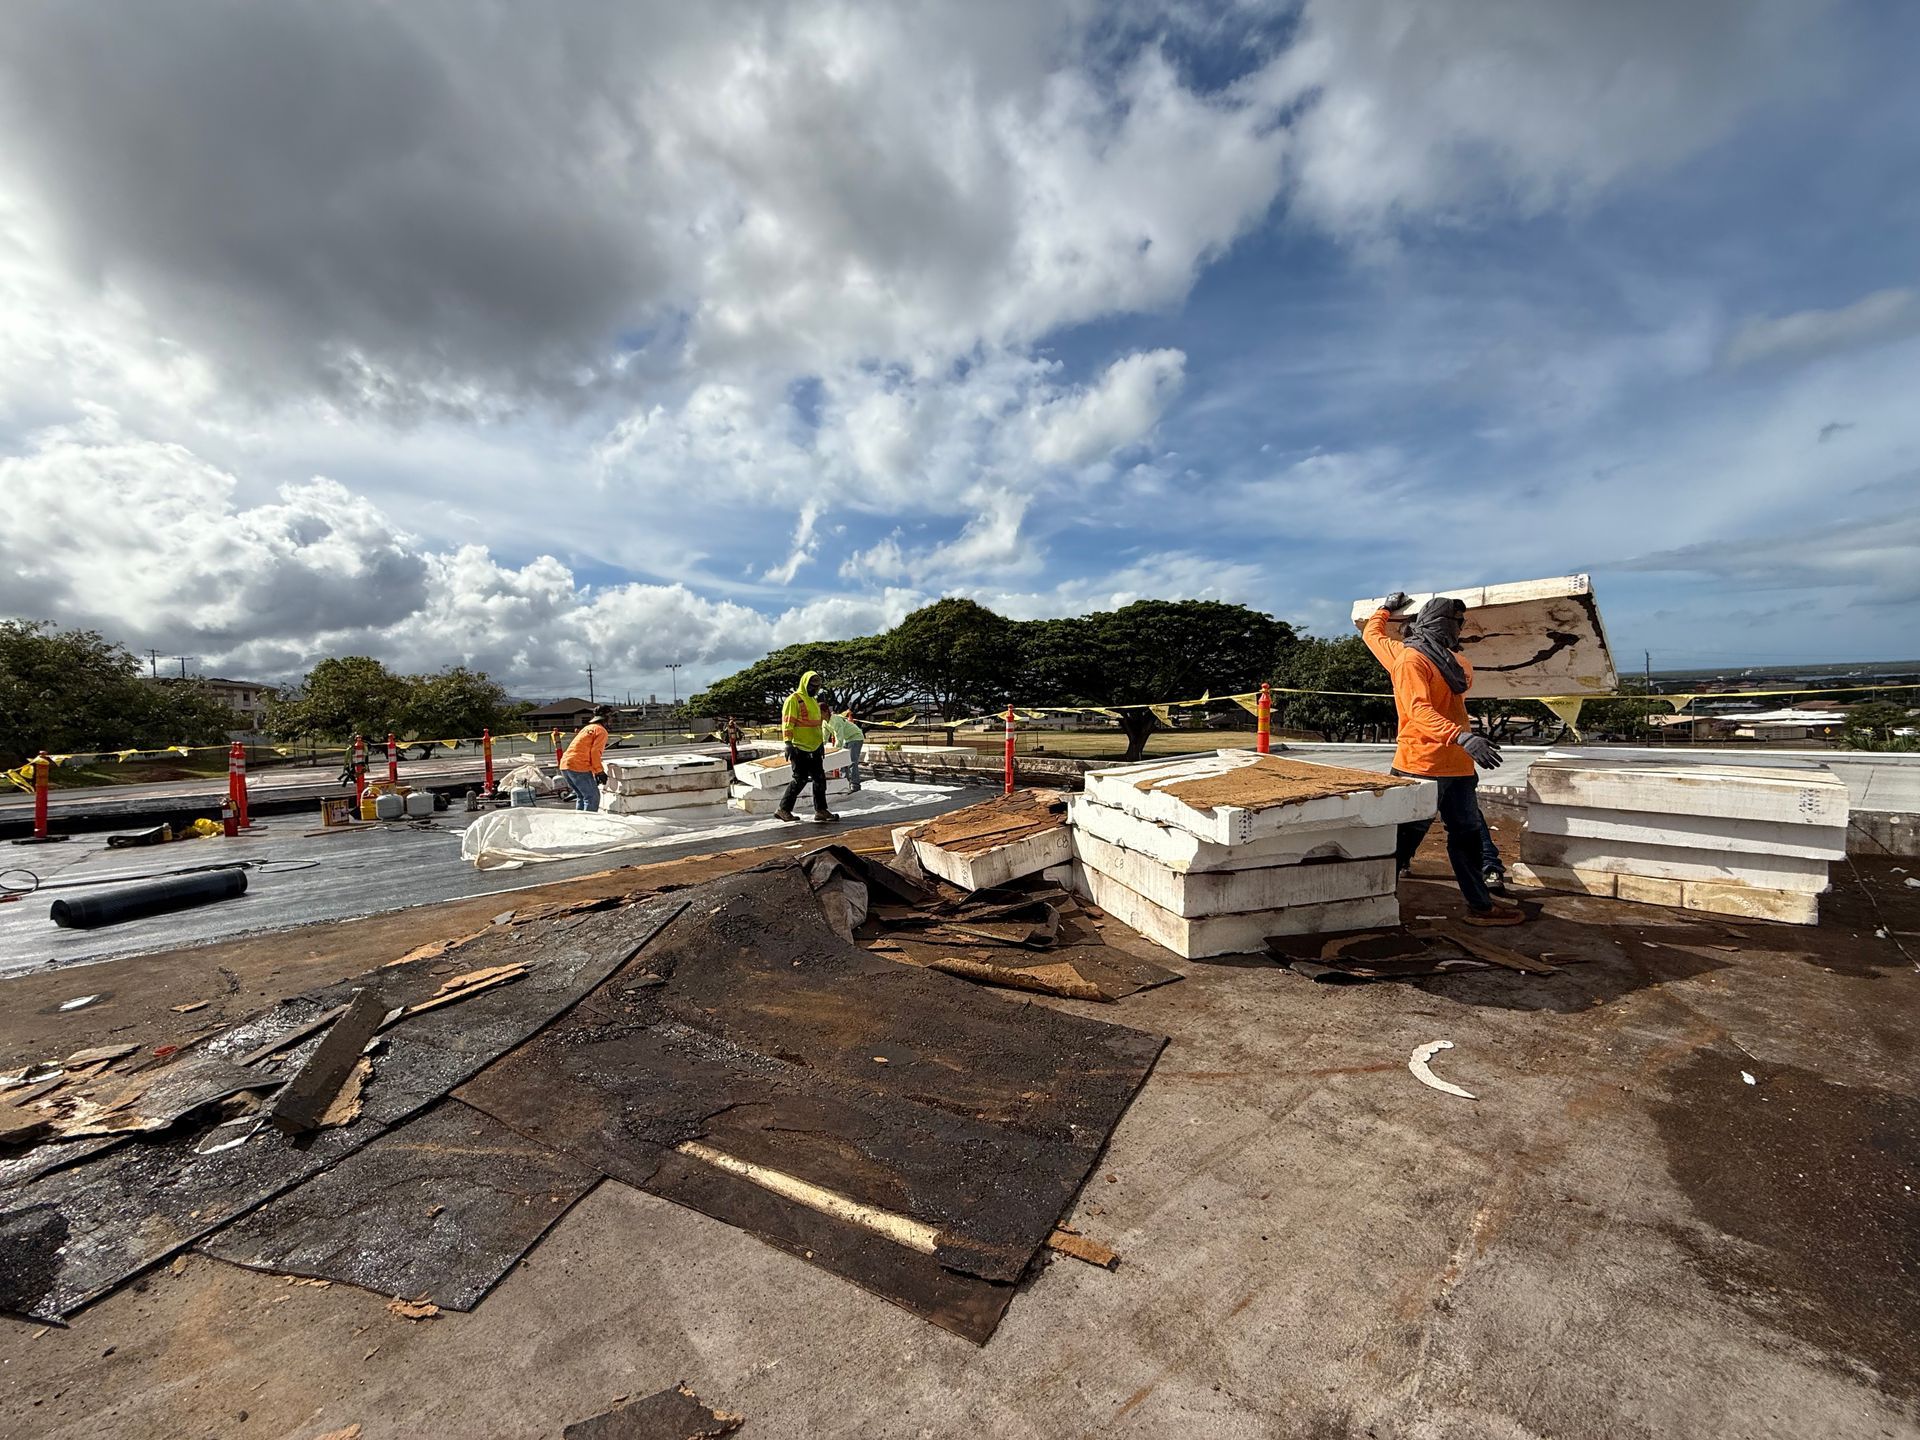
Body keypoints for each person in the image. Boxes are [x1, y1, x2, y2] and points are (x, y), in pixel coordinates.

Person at [1363, 592, 1524, 927]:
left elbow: (1372, 634)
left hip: (1459, 766)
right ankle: (1371, 906)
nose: (1460, 630)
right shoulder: (1411, 661)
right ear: (1438, 624)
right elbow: (1418, 710)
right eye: (1455, 623)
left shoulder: (1452, 662)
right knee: (1403, 841)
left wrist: (1385, 610)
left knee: (1466, 834)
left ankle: (1480, 906)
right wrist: (1462, 736)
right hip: (1421, 765)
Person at [775, 671, 838, 823]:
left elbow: (816, 726)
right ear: (805, 684)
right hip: (799, 746)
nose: (814, 690)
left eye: (817, 687)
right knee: (800, 779)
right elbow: (787, 722)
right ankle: (783, 809)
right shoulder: (794, 700)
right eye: (812, 686)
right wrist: (788, 743)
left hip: (815, 746)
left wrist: (821, 744)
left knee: (819, 779)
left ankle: (821, 810)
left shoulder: (814, 702)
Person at [558, 709, 610, 812]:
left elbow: (583, 750)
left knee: (582, 796)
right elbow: (594, 753)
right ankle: (588, 825)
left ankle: (580, 824)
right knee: (592, 797)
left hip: (565, 765)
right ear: (606, 719)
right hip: (578, 766)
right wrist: (599, 771)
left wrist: (595, 772)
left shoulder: (587, 728)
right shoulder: (601, 731)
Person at [824, 701, 865, 793]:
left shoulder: (836, 720)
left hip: (855, 737)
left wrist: (835, 750)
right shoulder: (824, 722)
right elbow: (824, 737)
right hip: (846, 739)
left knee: (851, 761)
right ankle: (844, 784)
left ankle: (855, 785)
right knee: (842, 762)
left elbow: (839, 737)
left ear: (825, 712)